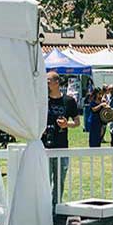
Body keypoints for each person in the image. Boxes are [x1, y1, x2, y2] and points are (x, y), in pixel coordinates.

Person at [44, 72, 79, 209]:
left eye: (48, 81)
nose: (46, 84)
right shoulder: (42, 100)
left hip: (62, 146)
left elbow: (77, 122)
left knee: (60, 182)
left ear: (56, 82)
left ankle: (56, 209)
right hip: (44, 147)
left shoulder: (69, 101)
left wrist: (66, 125)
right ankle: (45, 210)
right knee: (45, 182)